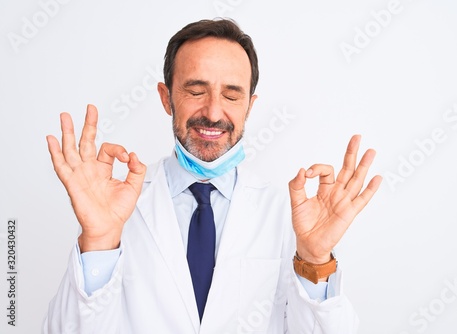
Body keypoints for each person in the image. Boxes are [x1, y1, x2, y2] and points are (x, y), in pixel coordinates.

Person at [43, 19, 381, 333]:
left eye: (232, 95)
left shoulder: (287, 217)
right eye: (195, 90)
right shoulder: (114, 209)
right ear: (166, 98)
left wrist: (315, 260)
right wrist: (99, 242)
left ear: (249, 105)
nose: (213, 112)